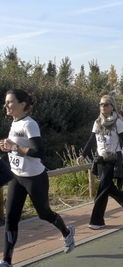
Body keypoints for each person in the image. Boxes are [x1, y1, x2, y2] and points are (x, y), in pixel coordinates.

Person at [0, 89, 75, 267]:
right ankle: (6, 260)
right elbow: (16, 148)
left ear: (22, 105)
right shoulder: (14, 122)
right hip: (16, 177)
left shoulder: (29, 124)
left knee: (45, 214)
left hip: (34, 178)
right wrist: (7, 147)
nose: (6, 105)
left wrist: (15, 147)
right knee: (11, 219)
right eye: (5, 102)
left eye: (10, 102)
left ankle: (66, 232)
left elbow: (39, 152)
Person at [77, 95, 123, 230]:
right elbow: (91, 140)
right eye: (101, 104)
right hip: (100, 159)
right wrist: (83, 154)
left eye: (106, 104)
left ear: (112, 106)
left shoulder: (117, 122)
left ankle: (96, 220)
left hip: (113, 159)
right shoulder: (97, 122)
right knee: (107, 187)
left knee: (102, 188)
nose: (103, 107)